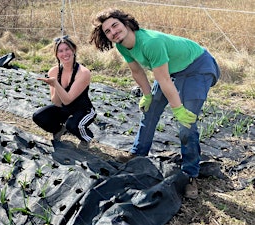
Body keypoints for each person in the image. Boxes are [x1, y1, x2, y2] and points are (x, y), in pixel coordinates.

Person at [89, 8, 220, 199]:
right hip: (172, 70)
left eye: (115, 25)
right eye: (107, 31)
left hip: (197, 68)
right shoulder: (122, 45)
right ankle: (138, 154)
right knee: (149, 110)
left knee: (186, 124)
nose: (113, 32)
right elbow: (137, 72)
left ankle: (190, 174)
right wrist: (147, 95)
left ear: (126, 23)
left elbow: (164, 81)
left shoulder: (151, 42)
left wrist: (178, 109)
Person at [33, 35, 97, 150]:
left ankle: (85, 138)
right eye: (60, 51)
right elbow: (57, 102)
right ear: (56, 54)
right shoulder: (53, 71)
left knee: (72, 125)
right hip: (65, 109)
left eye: (67, 49)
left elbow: (67, 100)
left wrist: (56, 84)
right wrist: (56, 83)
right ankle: (59, 130)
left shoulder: (83, 72)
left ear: (73, 50)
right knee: (38, 116)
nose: (64, 54)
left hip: (83, 110)